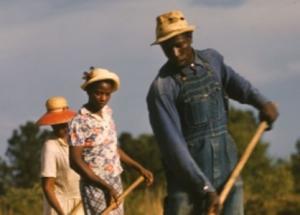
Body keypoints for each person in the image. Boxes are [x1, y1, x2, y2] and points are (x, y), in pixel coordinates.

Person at [146, 10, 279, 215]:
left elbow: (238, 85)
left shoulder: (212, 60)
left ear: (190, 38)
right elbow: (173, 149)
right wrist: (204, 187)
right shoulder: (162, 89)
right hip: (187, 185)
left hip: (228, 172)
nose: (175, 53)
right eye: (167, 47)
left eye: (179, 44)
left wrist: (262, 103)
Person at [68, 67, 154, 215]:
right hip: (95, 183)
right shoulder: (80, 121)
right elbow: (75, 161)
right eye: (98, 93)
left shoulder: (107, 113)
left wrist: (139, 168)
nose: (102, 98)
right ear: (88, 91)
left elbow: (112, 148)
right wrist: (105, 186)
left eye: (107, 94)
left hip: (114, 178)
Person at [37, 96, 84, 215]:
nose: (62, 126)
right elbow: (47, 187)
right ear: (51, 124)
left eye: (64, 122)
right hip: (60, 206)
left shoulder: (78, 141)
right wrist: (61, 213)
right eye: (56, 123)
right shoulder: (50, 146)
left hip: (81, 203)